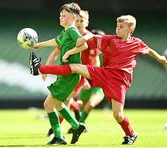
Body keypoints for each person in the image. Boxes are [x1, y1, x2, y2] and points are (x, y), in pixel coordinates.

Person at [30, 15, 167, 144]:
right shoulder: (111, 39)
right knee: (75, 67)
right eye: (117, 26)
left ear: (130, 30)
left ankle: (131, 134)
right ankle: (40, 68)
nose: (117, 29)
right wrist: (84, 39)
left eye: (121, 27)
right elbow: (93, 37)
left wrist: (160, 59)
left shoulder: (137, 43)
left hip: (120, 81)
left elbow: (148, 50)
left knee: (118, 115)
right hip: (105, 73)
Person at [31, 2, 88, 145]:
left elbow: (84, 44)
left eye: (64, 15)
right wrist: (39, 45)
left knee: (49, 105)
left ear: (74, 17)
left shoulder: (71, 30)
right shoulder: (65, 32)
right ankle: (76, 126)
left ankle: (60, 136)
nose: (61, 17)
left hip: (69, 74)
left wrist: (69, 52)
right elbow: (55, 42)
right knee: (56, 105)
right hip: (67, 74)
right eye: (60, 15)